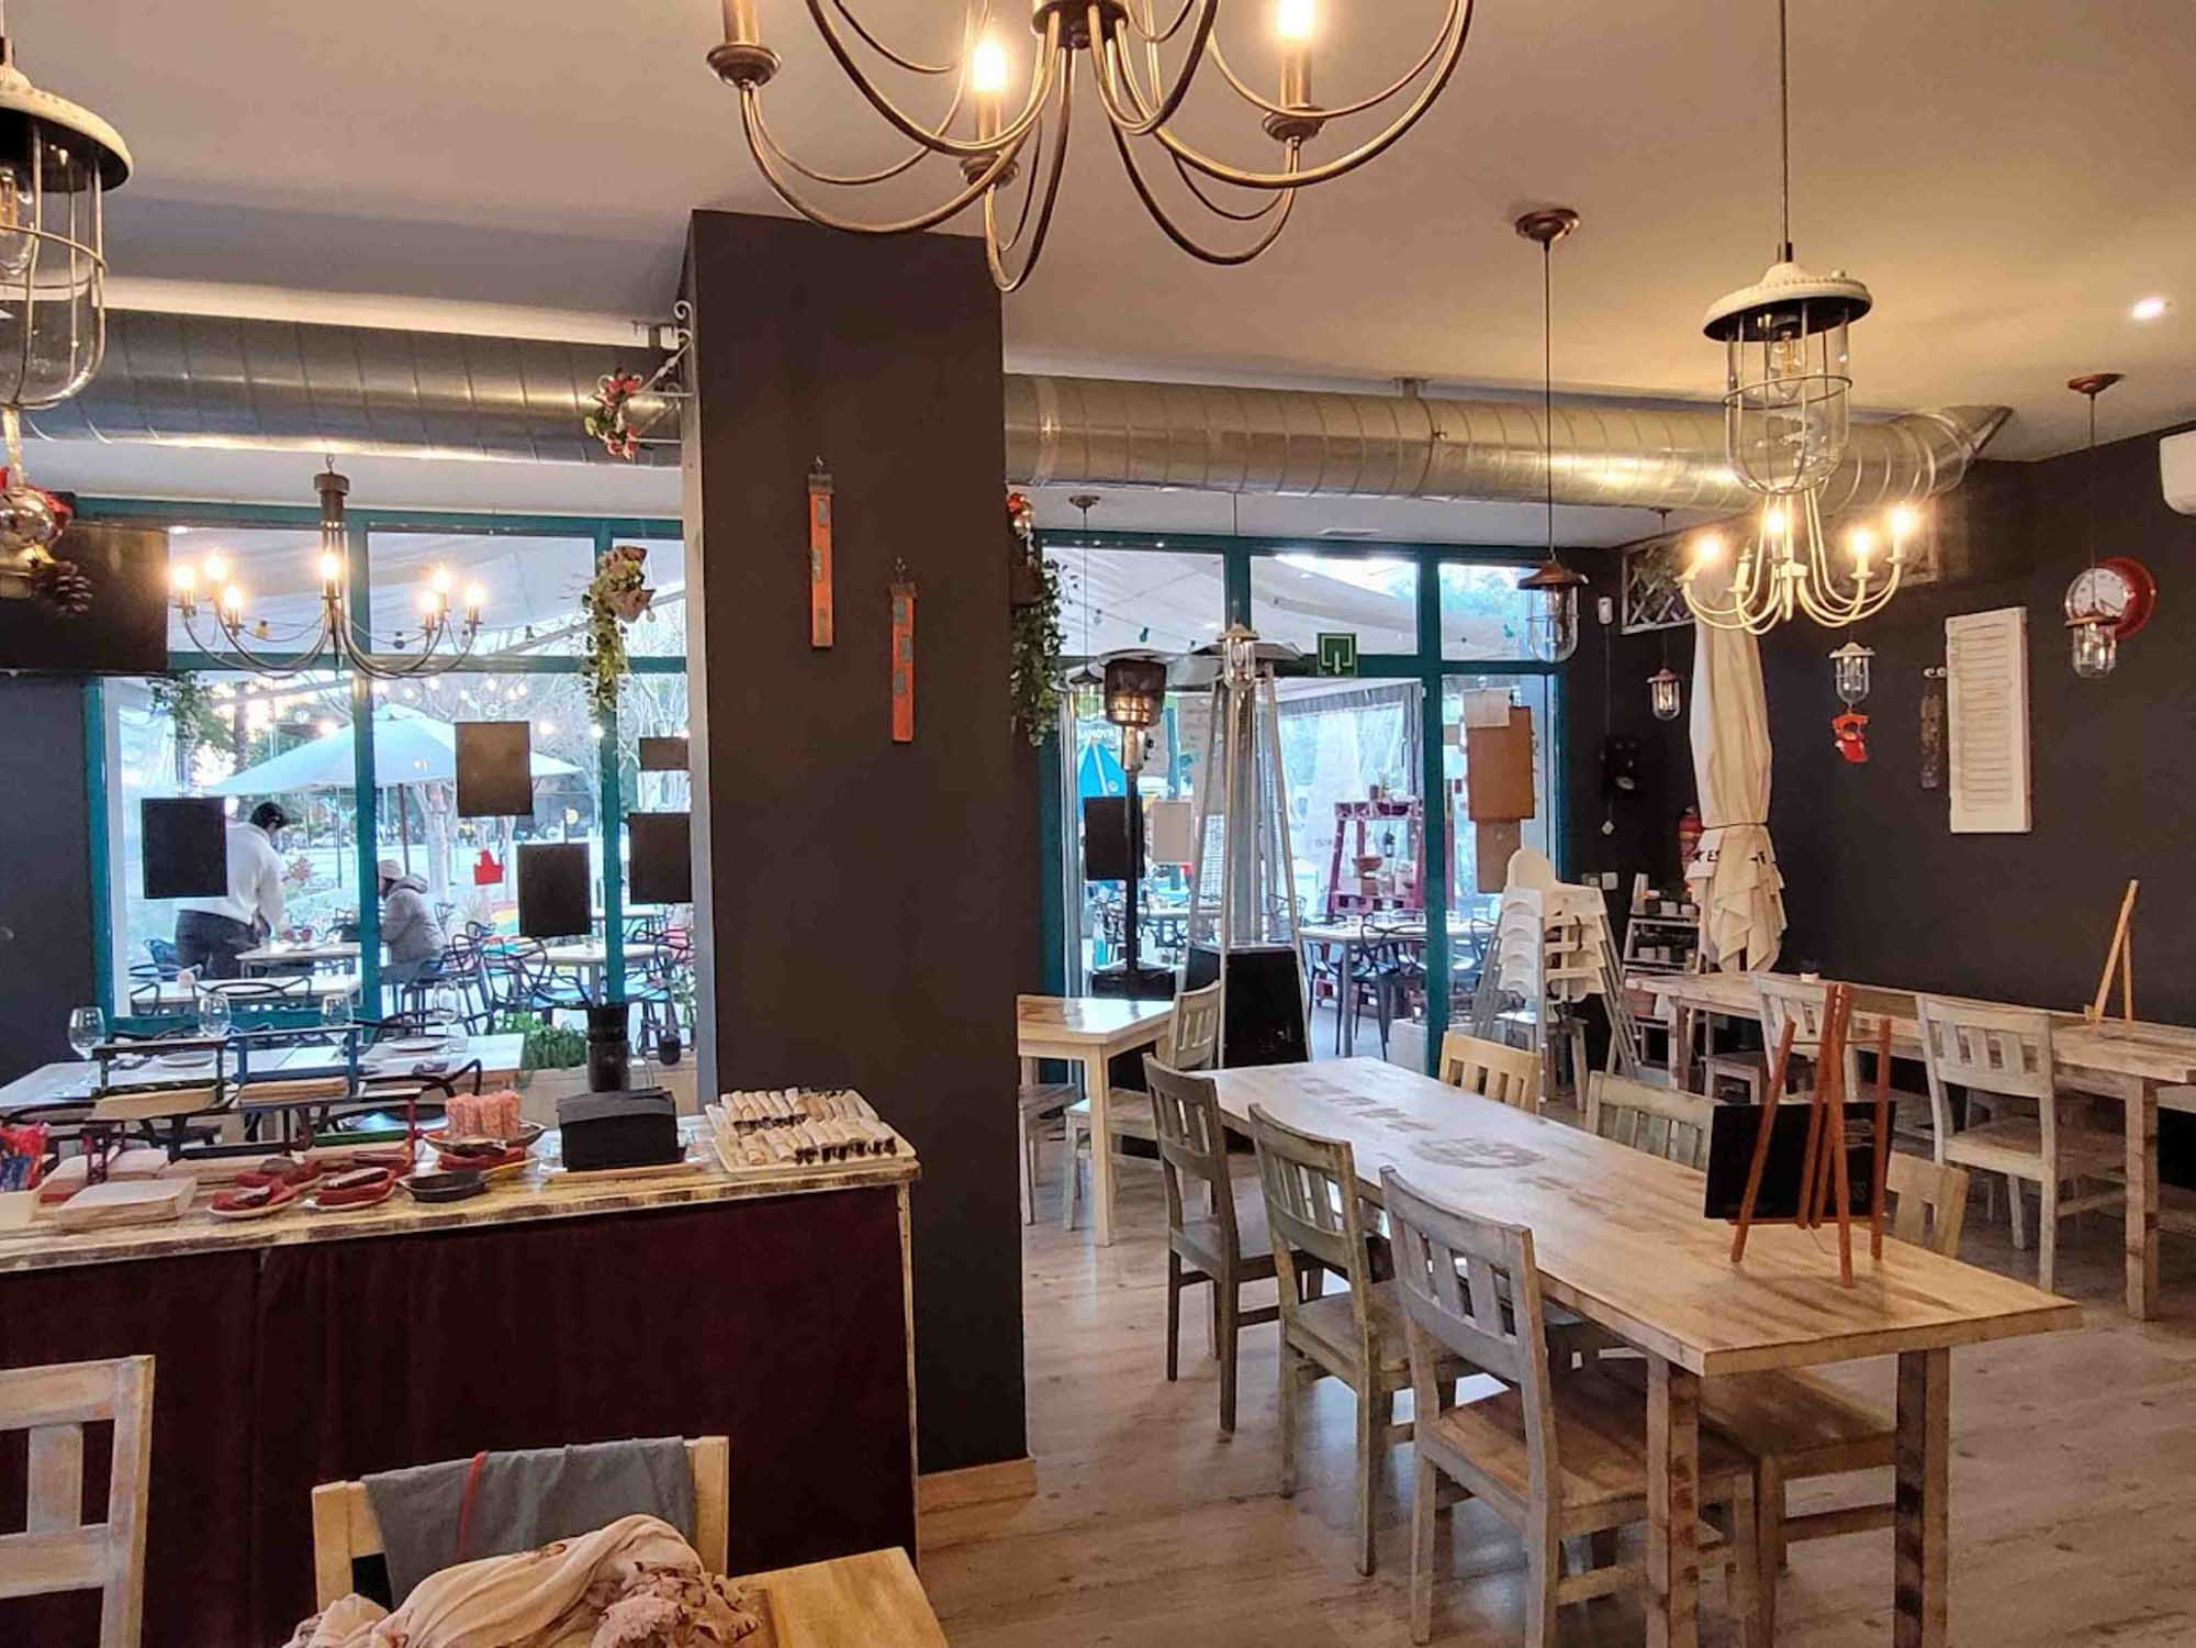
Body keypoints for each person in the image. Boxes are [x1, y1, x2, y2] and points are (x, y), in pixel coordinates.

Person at [174, 801, 289, 979]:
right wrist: (284, 929)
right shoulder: (266, 853)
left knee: (191, 984)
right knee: (231, 987)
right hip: (228, 924)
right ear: (272, 826)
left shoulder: (218, 834)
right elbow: (272, 901)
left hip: (188, 918)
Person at [378, 858, 446, 987]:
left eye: (377, 879)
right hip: (433, 959)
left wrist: (362, 932)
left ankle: (355, 1001)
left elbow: (387, 934)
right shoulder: (406, 893)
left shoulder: (400, 898)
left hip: (423, 964)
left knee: (370, 977)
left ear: (386, 879)